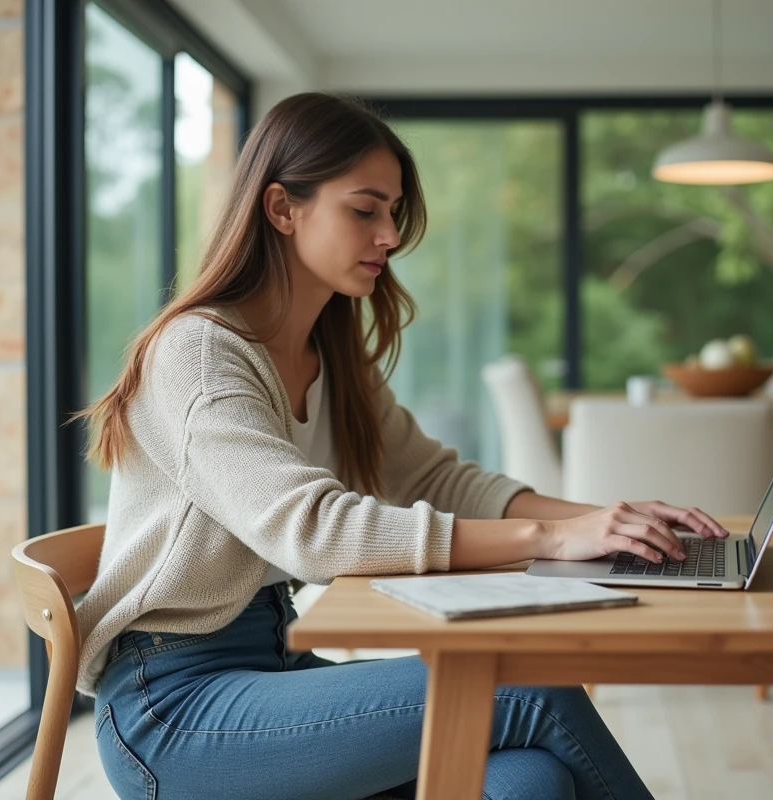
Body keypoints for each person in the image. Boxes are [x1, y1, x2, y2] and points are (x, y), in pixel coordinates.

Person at [73, 91, 729, 800]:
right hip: (172, 710)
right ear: (283, 209)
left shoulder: (330, 359)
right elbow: (314, 532)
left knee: (530, 782)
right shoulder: (199, 354)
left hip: (273, 670)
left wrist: (610, 523)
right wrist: (551, 537)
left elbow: (439, 480)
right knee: (526, 684)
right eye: (365, 210)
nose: (390, 235)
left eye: (392, 212)